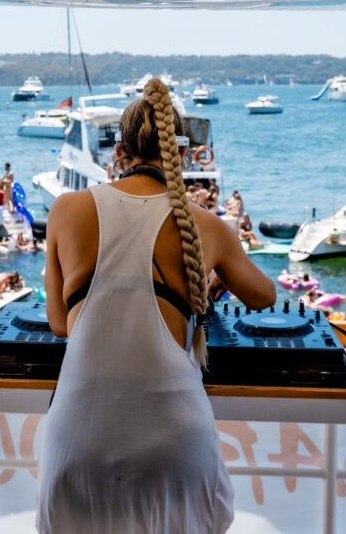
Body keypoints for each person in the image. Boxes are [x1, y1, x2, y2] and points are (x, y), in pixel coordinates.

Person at [37, 77, 275, 533]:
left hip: (78, 441)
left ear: (119, 152)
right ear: (180, 154)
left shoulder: (66, 210)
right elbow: (264, 296)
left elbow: (60, 325)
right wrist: (206, 277)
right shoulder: (206, 225)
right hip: (175, 445)